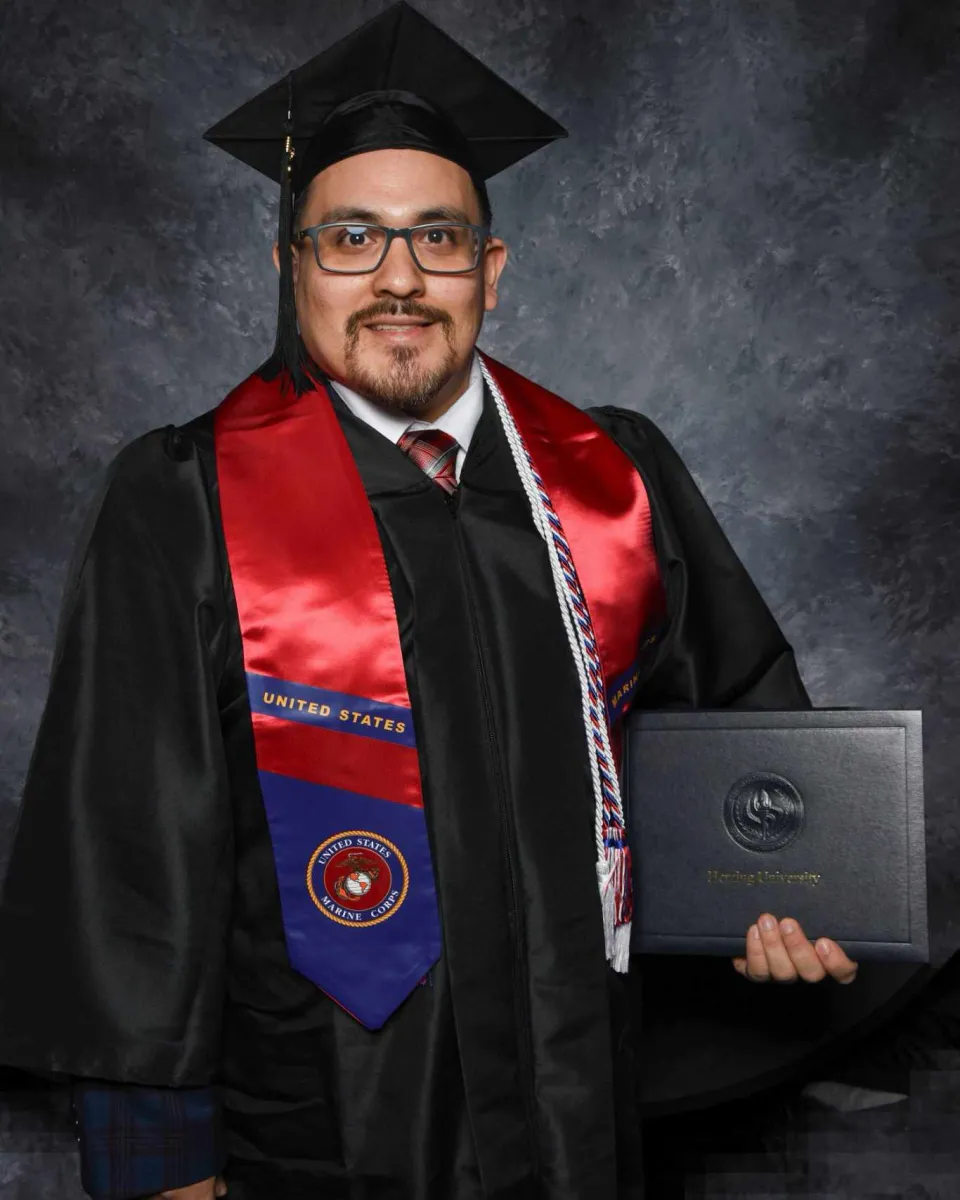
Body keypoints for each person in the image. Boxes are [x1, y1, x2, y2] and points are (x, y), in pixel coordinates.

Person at [0, 4, 859, 1198]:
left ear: (490, 273)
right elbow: (126, 855)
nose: (398, 278)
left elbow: (735, 723)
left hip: (580, 1107)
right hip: (317, 1124)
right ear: (290, 266)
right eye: (351, 237)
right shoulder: (188, 496)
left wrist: (785, 890)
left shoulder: (613, 476)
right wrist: (161, 1166)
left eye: (438, 239)